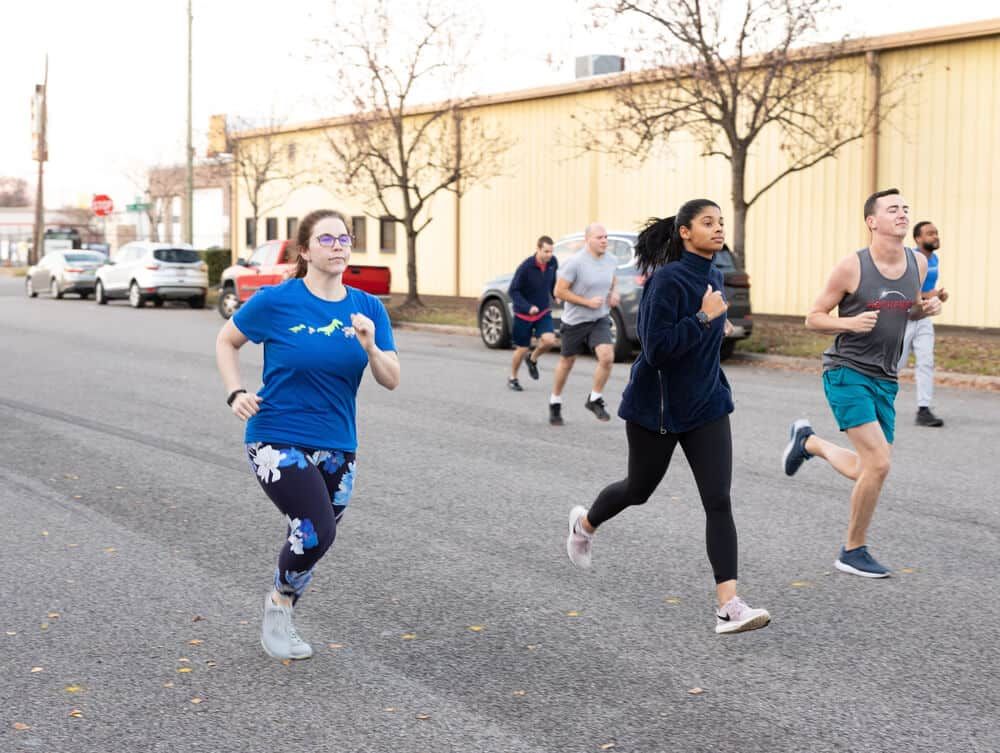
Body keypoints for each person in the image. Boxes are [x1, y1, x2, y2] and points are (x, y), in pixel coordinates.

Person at [565, 201, 771, 635]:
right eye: (707, 223)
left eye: (720, 223)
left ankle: (728, 605)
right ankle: (585, 524)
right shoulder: (667, 280)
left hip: (707, 404)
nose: (718, 229)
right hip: (657, 408)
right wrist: (703, 317)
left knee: (718, 499)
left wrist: (720, 326)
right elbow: (655, 348)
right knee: (638, 489)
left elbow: (704, 333)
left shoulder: (712, 275)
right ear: (684, 232)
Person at [215, 209, 400, 660]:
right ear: (305, 251)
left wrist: (371, 346)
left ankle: (284, 598)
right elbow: (226, 340)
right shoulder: (276, 301)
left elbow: (391, 377)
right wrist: (235, 391)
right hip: (275, 434)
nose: (338, 246)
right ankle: (279, 607)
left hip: (338, 441)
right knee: (315, 529)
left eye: (344, 238)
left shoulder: (368, 308)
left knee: (319, 534)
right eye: (327, 239)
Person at [783, 189, 941, 578]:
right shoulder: (851, 267)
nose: (903, 214)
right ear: (873, 221)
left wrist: (927, 307)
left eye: (906, 208)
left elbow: (909, 307)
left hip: (886, 377)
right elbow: (813, 317)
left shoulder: (917, 263)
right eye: (893, 209)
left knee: (868, 469)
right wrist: (848, 323)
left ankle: (809, 442)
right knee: (880, 463)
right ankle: (852, 550)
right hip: (846, 371)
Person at [549, 223, 620, 425]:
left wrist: (614, 293)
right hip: (575, 321)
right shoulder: (575, 263)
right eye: (600, 237)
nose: (604, 240)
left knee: (607, 358)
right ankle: (555, 401)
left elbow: (613, 280)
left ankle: (594, 398)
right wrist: (586, 302)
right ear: (588, 239)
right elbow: (559, 291)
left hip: (599, 318)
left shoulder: (611, 260)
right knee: (567, 362)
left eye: (606, 237)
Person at [897, 220, 949, 426]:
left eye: (936, 232)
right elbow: (905, 291)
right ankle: (870, 398)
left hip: (923, 318)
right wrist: (931, 295)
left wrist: (937, 297)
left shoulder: (934, 259)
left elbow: (927, 290)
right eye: (930, 233)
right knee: (896, 364)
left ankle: (923, 410)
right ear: (918, 239)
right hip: (903, 318)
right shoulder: (908, 259)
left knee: (926, 361)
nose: (935, 236)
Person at [507, 235, 558, 391]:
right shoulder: (525, 268)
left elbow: (552, 280)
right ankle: (513, 377)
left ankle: (533, 358)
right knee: (522, 349)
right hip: (524, 314)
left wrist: (555, 295)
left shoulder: (553, 262)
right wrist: (528, 307)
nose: (549, 255)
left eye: (551, 251)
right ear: (538, 249)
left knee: (549, 340)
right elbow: (513, 291)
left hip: (542, 312)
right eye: (546, 251)